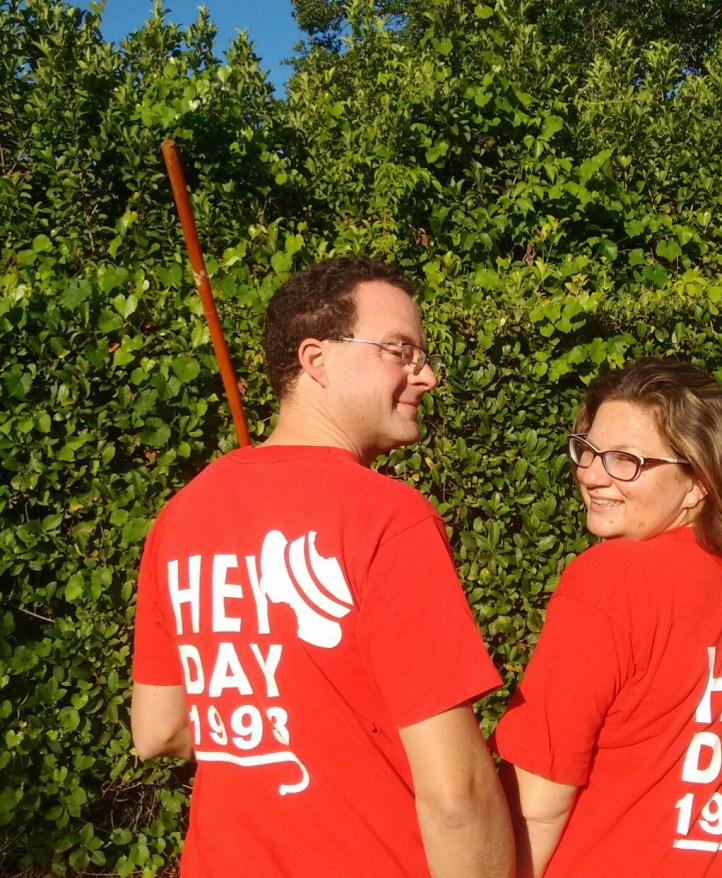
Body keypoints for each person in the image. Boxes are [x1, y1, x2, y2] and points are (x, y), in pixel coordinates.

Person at [131, 256, 514, 877]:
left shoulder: (180, 516)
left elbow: (158, 731)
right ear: (316, 360)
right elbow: (457, 800)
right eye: (401, 350)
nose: (428, 376)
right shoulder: (387, 516)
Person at [492, 358, 722, 878]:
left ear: (698, 481)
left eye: (627, 460)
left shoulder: (611, 581)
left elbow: (538, 801)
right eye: (588, 451)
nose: (593, 475)